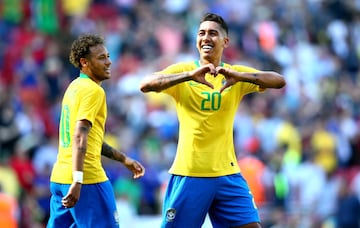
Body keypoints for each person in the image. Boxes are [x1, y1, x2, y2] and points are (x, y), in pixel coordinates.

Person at [139, 13, 286, 228]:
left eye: (213, 33)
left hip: (227, 173)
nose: (206, 37)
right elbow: (146, 84)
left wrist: (240, 77)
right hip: (190, 173)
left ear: (225, 41)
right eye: (201, 33)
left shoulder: (234, 74)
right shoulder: (183, 71)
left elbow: (279, 81)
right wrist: (189, 76)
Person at [47, 34, 145, 228]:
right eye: (101, 58)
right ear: (84, 62)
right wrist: (78, 180)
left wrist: (123, 159)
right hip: (87, 180)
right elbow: (80, 136)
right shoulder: (93, 91)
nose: (108, 62)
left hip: (59, 178)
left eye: (108, 56)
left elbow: (91, 139)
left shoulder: (74, 87)